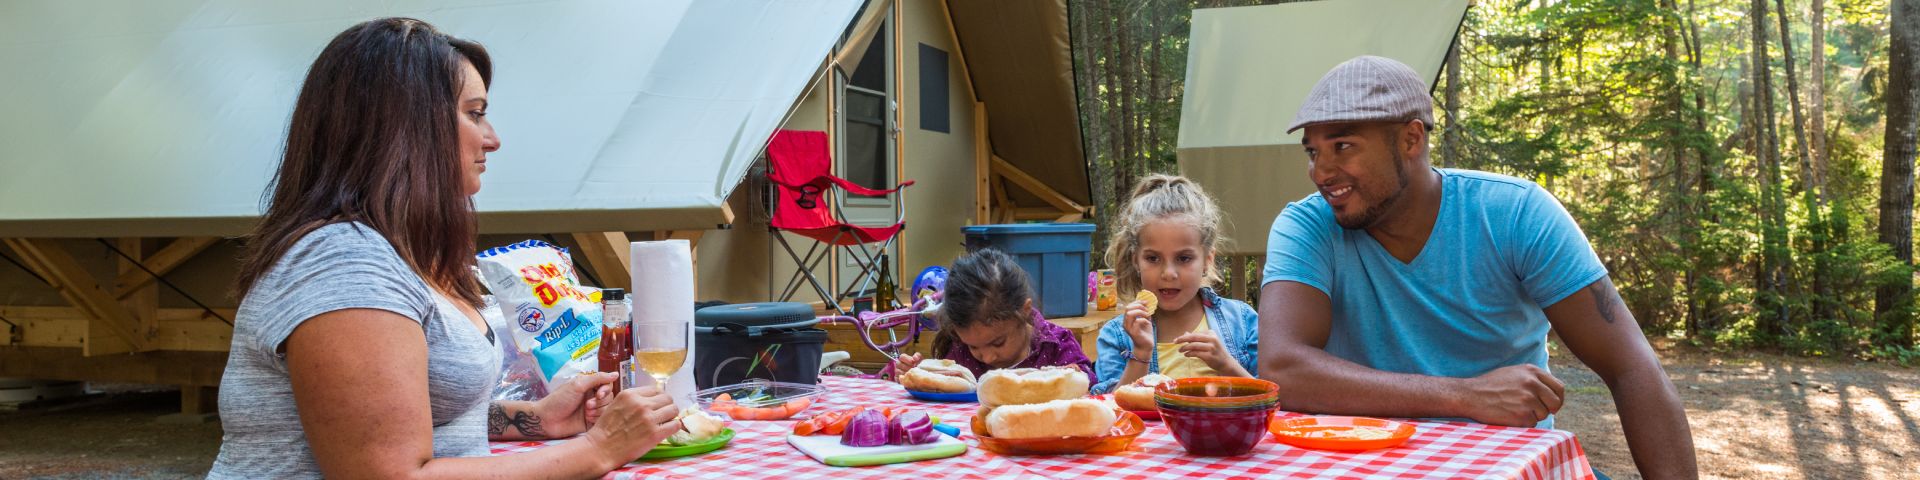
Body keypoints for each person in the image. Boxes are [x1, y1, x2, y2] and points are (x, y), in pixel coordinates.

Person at [212, 18, 680, 478]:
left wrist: (540, 418)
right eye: (474, 114)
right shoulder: (345, 263)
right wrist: (600, 448)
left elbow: (411, 418)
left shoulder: (394, 251)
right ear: (406, 125)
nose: (492, 139)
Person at [1257, 55, 1697, 479]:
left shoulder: (1516, 213)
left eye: (1343, 146)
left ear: (1411, 139)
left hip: (1506, 465)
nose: (1321, 171)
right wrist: (1464, 395)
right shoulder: (1307, 226)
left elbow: (1631, 366)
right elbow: (1282, 369)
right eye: (1313, 152)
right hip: (1359, 463)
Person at [1091, 175, 1259, 394]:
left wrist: (1226, 365)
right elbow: (1112, 414)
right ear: (1136, 260)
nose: (1168, 273)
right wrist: (1140, 354)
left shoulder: (1242, 321)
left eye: (1184, 258)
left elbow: (1270, 401)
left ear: (1207, 259)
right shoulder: (1116, 335)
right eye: (1153, 258)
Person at [888, 248, 1097, 382]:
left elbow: (1092, 389)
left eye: (997, 343)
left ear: (1024, 312)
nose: (987, 358)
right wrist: (918, 375)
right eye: (974, 347)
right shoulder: (958, 351)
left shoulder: (1057, 346)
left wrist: (1075, 378)